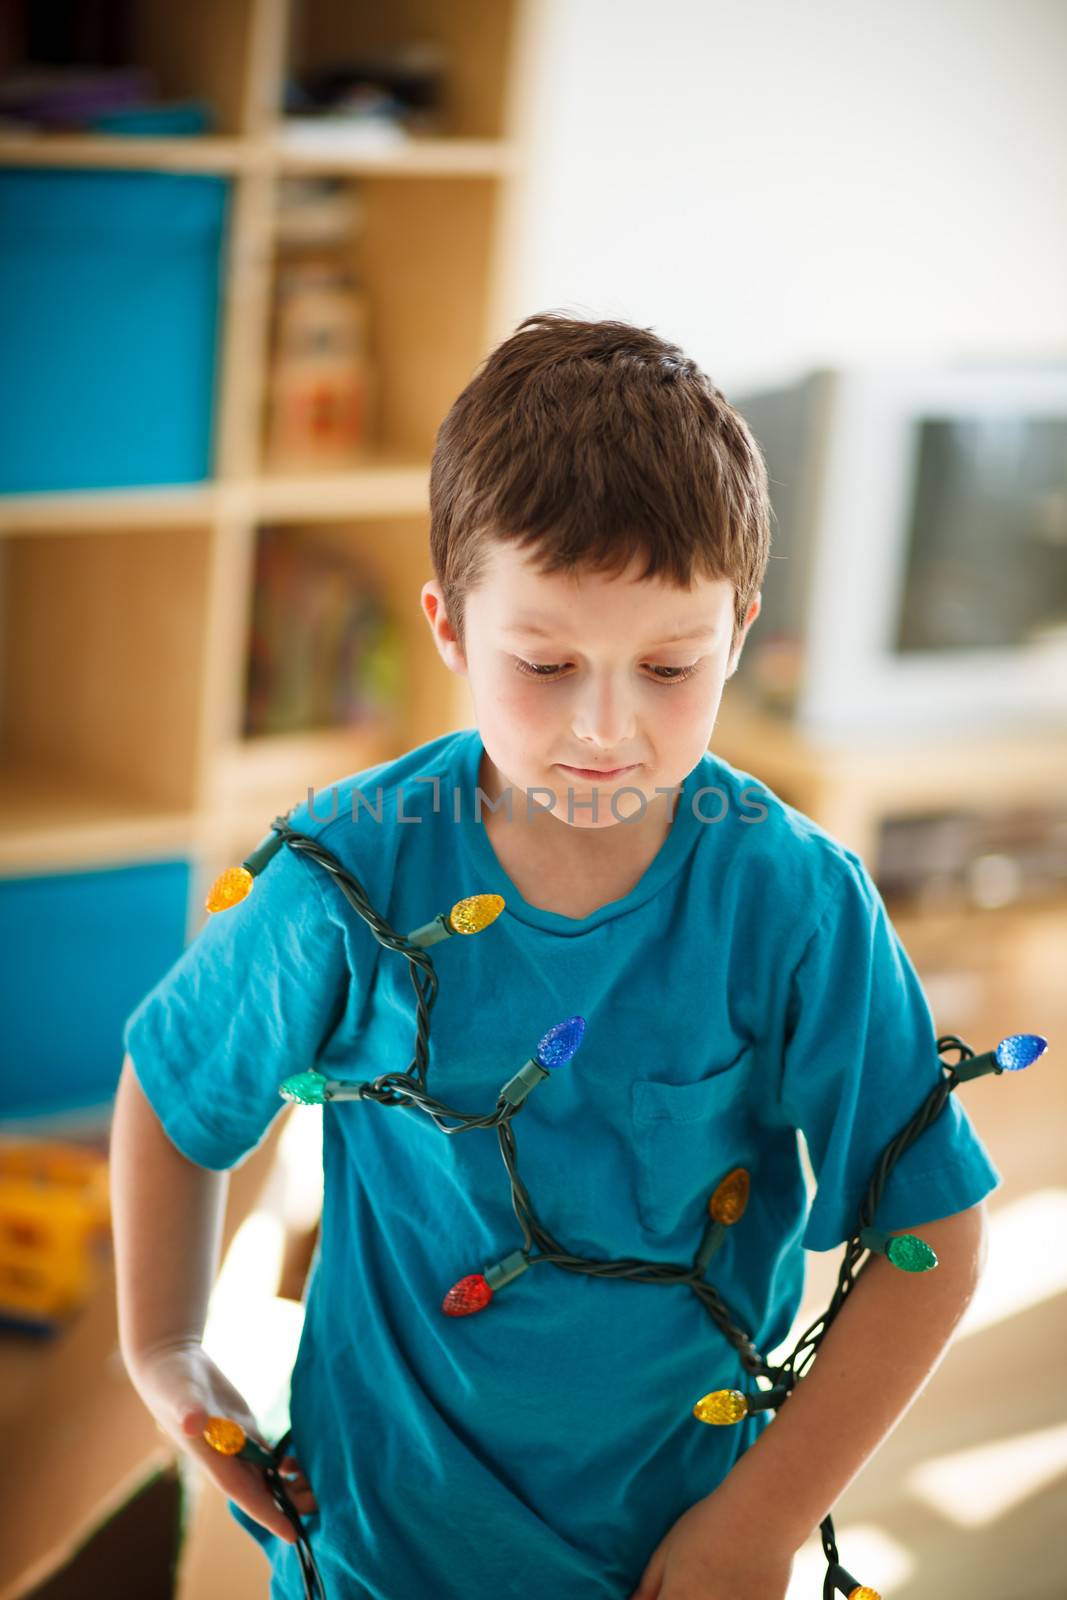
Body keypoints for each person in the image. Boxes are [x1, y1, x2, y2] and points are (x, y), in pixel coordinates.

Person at [111, 312, 999, 1600]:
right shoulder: (346, 879)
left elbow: (935, 1241)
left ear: (740, 628)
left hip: (675, 1556)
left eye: (668, 666)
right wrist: (169, 1347)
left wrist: (753, 1529)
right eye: (545, 662)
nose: (606, 729)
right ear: (451, 630)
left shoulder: (796, 904)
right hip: (374, 1544)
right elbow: (179, 1091)